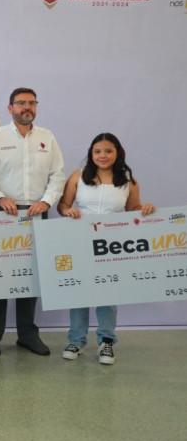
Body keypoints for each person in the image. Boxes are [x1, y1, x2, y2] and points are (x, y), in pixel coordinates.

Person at [0, 87, 65, 357]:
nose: (27, 107)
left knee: (31, 277)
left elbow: (58, 175)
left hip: (37, 213)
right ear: (10, 108)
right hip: (3, 213)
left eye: (31, 103)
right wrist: (0, 197)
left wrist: (47, 201)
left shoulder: (47, 137)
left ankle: (27, 335)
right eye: (21, 103)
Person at [57, 133, 155, 365]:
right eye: (97, 151)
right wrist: (67, 211)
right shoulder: (78, 176)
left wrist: (145, 209)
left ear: (117, 153)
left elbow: (133, 209)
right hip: (80, 241)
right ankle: (76, 340)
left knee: (108, 294)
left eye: (108, 151)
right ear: (91, 154)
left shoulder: (128, 181)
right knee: (79, 292)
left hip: (112, 246)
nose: (103, 155)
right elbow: (63, 204)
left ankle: (107, 341)